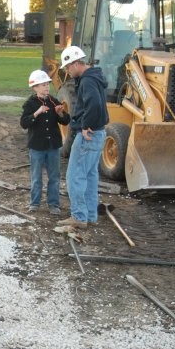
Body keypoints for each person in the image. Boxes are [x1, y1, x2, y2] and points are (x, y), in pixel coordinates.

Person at [56, 45, 109, 229]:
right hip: (99, 133)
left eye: (68, 67)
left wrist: (86, 125)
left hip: (88, 135)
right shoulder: (95, 78)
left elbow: (93, 104)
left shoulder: (87, 81)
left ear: (77, 63)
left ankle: (79, 216)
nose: (68, 71)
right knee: (90, 175)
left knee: (75, 176)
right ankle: (90, 215)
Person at [20, 69, 70, 214]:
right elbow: (24, 123)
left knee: (54, 176)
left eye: (47, 84)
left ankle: (53, 204)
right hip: (36, 146)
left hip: (53, 146)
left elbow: (65, 121)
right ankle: (34, 203)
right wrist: (37, 112)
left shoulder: (54, 101)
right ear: (35, 87)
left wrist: (60, 112)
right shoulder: (30, 104)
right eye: (42, 85)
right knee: (36, 177)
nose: (46, 87)